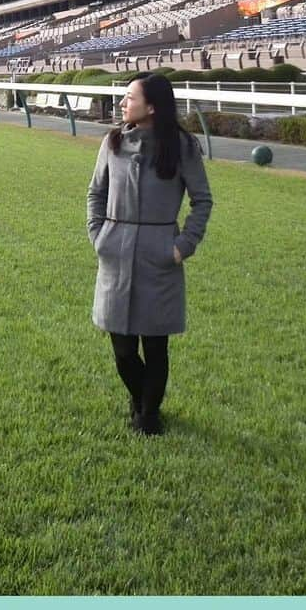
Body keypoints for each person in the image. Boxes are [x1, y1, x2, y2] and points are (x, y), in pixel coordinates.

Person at [86, 73, 213, 436]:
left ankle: (148, 414)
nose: (123, 104)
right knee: (123, 348)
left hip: (160, 254)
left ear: (152, 106)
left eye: (130, 97)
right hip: (116, 251)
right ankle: (141, 397)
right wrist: (99, 235)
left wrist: (182, 245)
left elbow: (202, 200)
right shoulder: (112, 142)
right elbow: (96, 193)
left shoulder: (182, 147)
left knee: (155, 346)